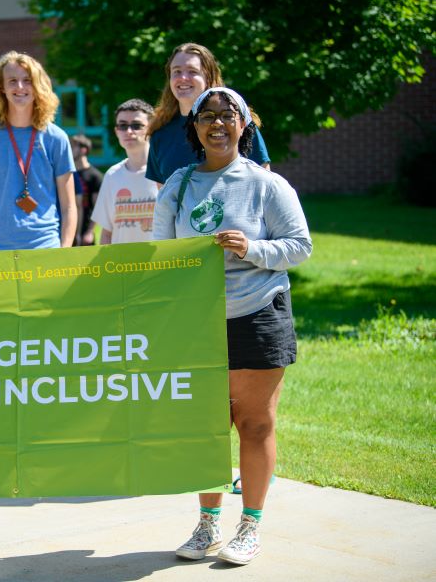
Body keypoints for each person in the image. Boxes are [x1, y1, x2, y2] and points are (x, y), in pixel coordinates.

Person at [153, 87, 312, 565]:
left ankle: (251, 526)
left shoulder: (267, 184)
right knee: (205, 428)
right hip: (197, 323)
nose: (217, 123)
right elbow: (161, 258)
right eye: (207, 116)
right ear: (194, 127)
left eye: (228, 116)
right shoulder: (177, 185)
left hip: (258, 314)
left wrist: (251, 248)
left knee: (254, 422)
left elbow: (300, 246)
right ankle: (206, 527)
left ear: (245, 125)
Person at [0, 50, 76, 251]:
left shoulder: (56, 138)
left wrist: (64, 250)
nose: (20, 87)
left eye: (27, 80)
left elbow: (69, 206)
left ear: (38, 87)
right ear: (2, 88)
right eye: (12, 81)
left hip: (46, 249)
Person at [146, 42, 270, 186]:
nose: (183, 77)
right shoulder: (160, 134)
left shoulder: (236, 124)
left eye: (192, 71)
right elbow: (164, 201)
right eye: (177, 71)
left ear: (208, 77)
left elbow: (265, 187)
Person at [91, 99, 158, 244]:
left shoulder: (166, 172)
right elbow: (107, 232)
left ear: (151, 128)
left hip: (161, 263)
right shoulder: (112, 175)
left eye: (136, 125)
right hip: (122, 265)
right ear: (116, 131)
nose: (128, 131)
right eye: (122, 125)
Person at [70, 134, 103, 245]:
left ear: (83, 150)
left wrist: (89, 232)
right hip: (69, 231)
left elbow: (97, 207)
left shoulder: (95, 176)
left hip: (85, 234)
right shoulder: (68, 175)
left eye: (73, 147)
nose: (69, 150)